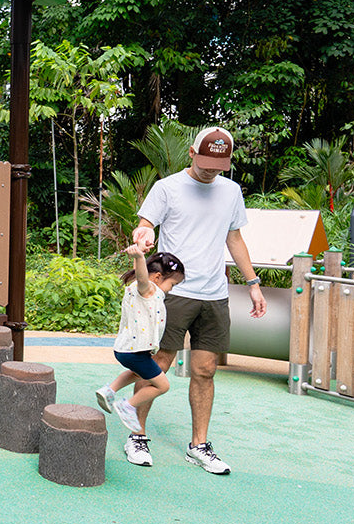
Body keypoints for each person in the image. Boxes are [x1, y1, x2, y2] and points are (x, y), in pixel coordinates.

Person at [131, 125, 265, 474]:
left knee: (205, 370)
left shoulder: (231, 191)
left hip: (214, 295)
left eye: (217, 164)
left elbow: (234, 238)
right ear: (191, 153)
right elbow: (146, 224)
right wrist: (144, 236)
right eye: (204, 161)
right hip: (174, 293)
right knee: (156, 362)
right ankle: (137, 434)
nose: (209, 169)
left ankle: (199, 445)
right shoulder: (168, 188)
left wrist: (252, 282)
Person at [96, 245, 184, 466]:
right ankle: (129, 406)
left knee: (136, 373)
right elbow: (144, 279)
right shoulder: (147, 289)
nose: (171, 290)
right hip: (134, 351)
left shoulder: (141, 290)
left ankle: (109, 390)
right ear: (157, 277)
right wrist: (139, 258)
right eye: (172, 284)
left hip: (128, 351)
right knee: (162, 385)